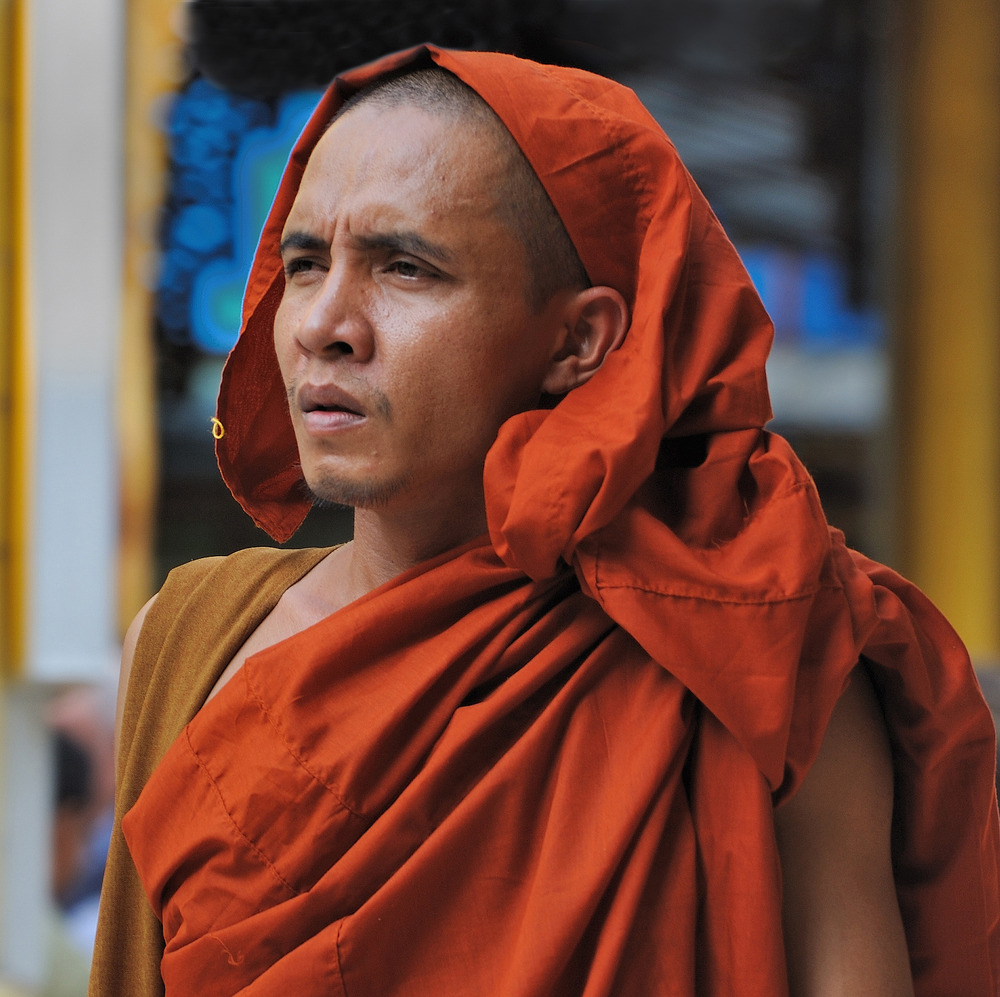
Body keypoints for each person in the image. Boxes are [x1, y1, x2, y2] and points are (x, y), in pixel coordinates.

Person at [91, 45, 1000, 995]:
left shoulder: (748, 654)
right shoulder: (189, 640)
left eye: (405, 268)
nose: (325, 321)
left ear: (578, 340)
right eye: (307, 261)